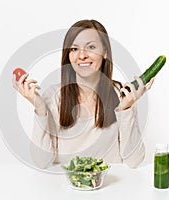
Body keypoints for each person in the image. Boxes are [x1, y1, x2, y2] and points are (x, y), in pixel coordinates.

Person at [13, 19, 154, 169]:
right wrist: (40, 108)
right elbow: (42, 162)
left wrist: (126, 108)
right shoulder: (54, 96)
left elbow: (134, 161)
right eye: (74, 49)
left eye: (91, 47)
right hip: (66, 188)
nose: (82, 55)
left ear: (104, 52)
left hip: (111, 188)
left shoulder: (121, 94)